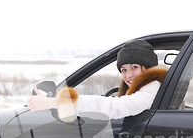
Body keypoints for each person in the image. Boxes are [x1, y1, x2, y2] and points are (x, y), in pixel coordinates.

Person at [27, 39, 168, 121]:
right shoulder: (155, 89)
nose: (128, 75)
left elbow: (113, 107)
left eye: (134, 67)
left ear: (148, 67)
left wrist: (58, 102)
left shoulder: (151, 90)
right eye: (123, 70)